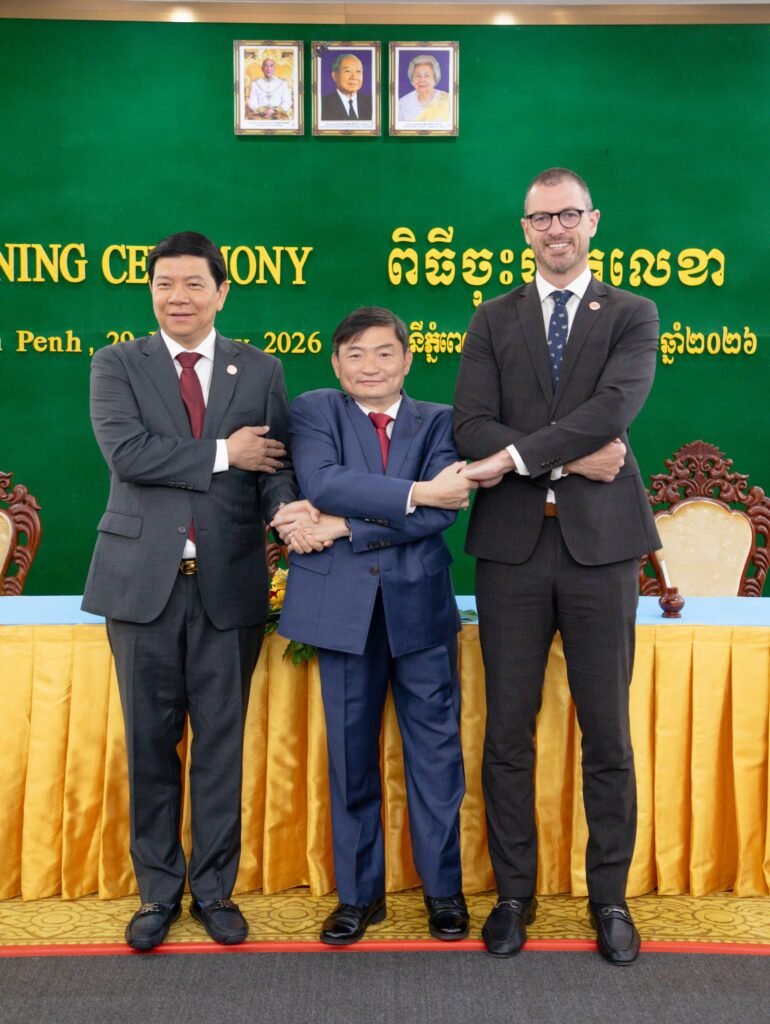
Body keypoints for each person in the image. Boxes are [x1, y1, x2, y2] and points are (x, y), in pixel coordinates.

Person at [82, 231, 314, 950]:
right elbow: (129, 455)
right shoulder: (116, 364)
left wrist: (288, 509)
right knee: (150, 743)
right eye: (164, 284)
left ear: (221, 291)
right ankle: (157, 892)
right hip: (140, 586)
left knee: (220, 744)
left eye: (192, 284)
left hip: (229, 584)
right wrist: (223, 452)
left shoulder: (261, 369)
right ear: (150, 291)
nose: (176, 297)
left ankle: (213, 890)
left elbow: (271, 465)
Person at [453, 168, 661, 965]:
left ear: (592, 221)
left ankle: (609, 897)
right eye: (540, 219)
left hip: (601, 552)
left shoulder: (633, 314)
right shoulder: (492, 317)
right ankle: (514, 895)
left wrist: (517, 457)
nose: (555, 230)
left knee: (607, 733)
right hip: (511, 552)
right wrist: (569, 460)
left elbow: (614, 411)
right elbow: (471, 425)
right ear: (525, 230)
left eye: (568, 214)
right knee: (507, 733)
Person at [275, 306, 475, 945]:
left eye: (385, 352)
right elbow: (323, 481)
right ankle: (359, 897)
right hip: (342, 613)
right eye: (356, 354)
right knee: (351, 755)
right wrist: (414, 493)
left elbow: (444, 512)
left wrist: (343, 525)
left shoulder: (440, 421)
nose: (371, 366)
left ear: (407, 359)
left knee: (437, 758)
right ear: (336, 363)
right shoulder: (315, 411)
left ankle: (443, 892)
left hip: (421, 610)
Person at [397, 54, 450, 124]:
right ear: (412, 79)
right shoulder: (403, 103)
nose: (422, 80)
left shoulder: (448, 101)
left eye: (427, 75)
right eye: (418, 75)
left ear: (435, 78)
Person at [320, 53, 373, 121]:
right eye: (347, 71)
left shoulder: (371, 102)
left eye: (358, 71)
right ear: (334, 76)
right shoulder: (322, 104)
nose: (354, 77)